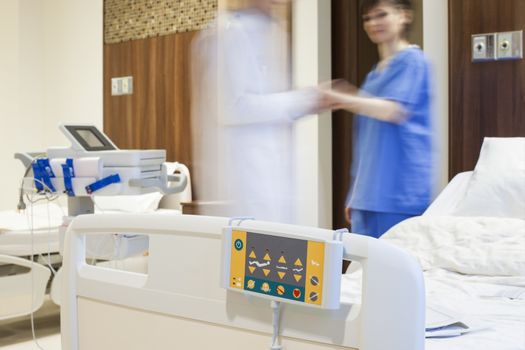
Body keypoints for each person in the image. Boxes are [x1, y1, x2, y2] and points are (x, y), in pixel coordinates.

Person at [191, 0, 330, 224]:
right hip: (246, 183)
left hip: (270, 181)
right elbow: (231, 108)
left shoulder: (271, 31)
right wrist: (304, 100)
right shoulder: (229, 32)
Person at [323, 0, 434, 238]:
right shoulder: (374, 74)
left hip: (400, 194)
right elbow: (366, 142)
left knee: (394, 268)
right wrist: (355, 192)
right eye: (367, 19)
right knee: (365, 271)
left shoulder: (414, 61)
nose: (373, 23)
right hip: (368, 196)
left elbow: (393, 110)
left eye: (381, 15)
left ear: (404, 16)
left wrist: (343, 97)